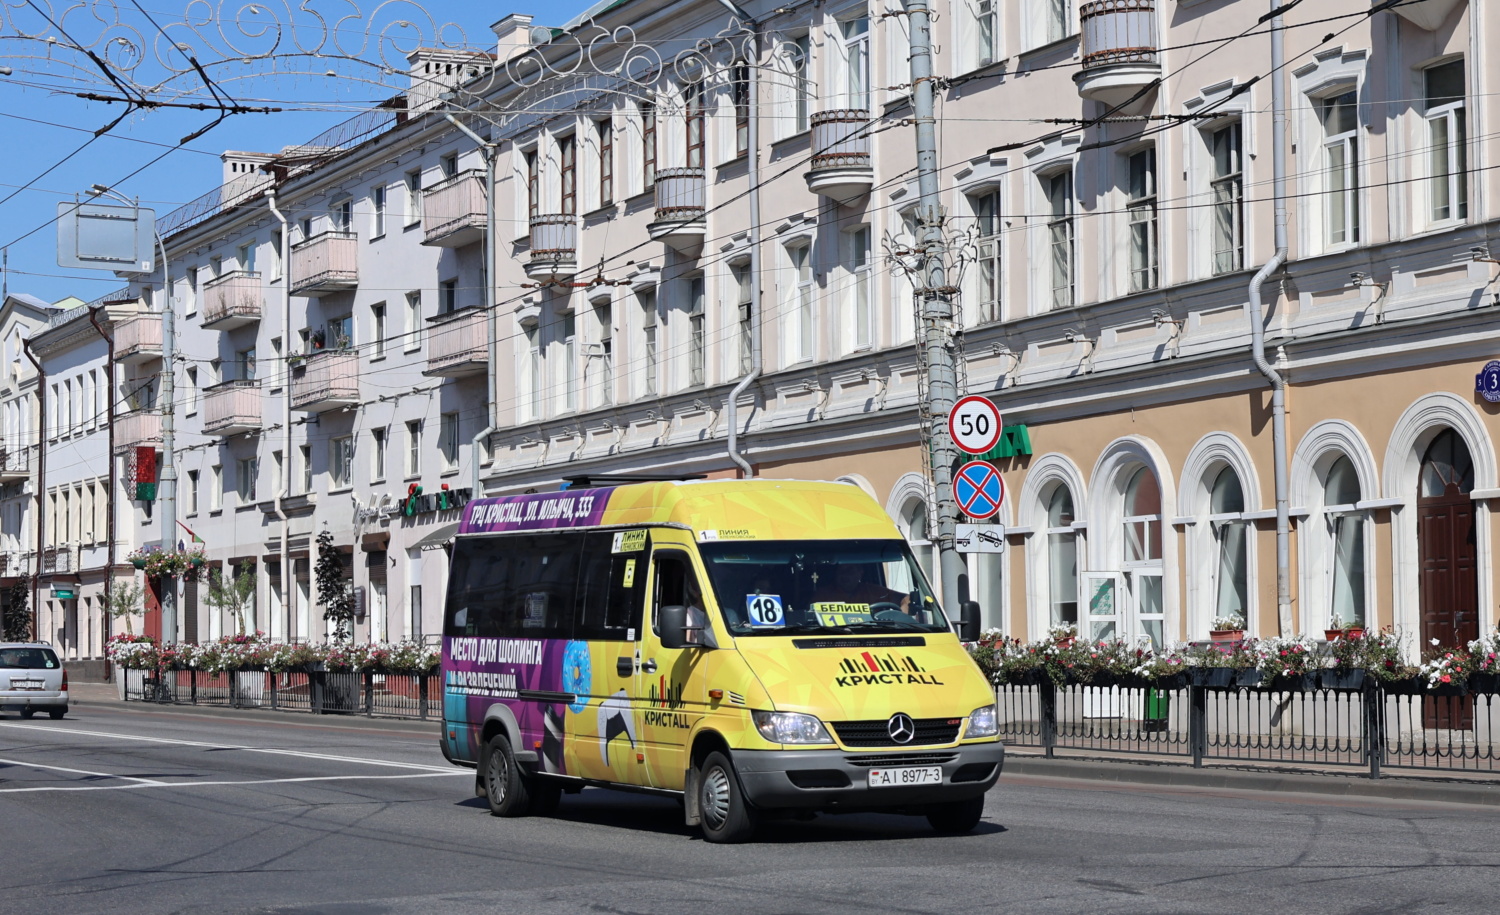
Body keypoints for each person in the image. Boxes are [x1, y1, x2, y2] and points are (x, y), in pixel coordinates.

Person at [813, 564, 909, 612]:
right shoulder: (823, 595)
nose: (845, 575)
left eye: (850, 571)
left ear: (860, 573)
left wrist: (903, 617)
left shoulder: (872, 591)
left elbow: (906, 598)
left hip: (872, 634)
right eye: (841, 571)